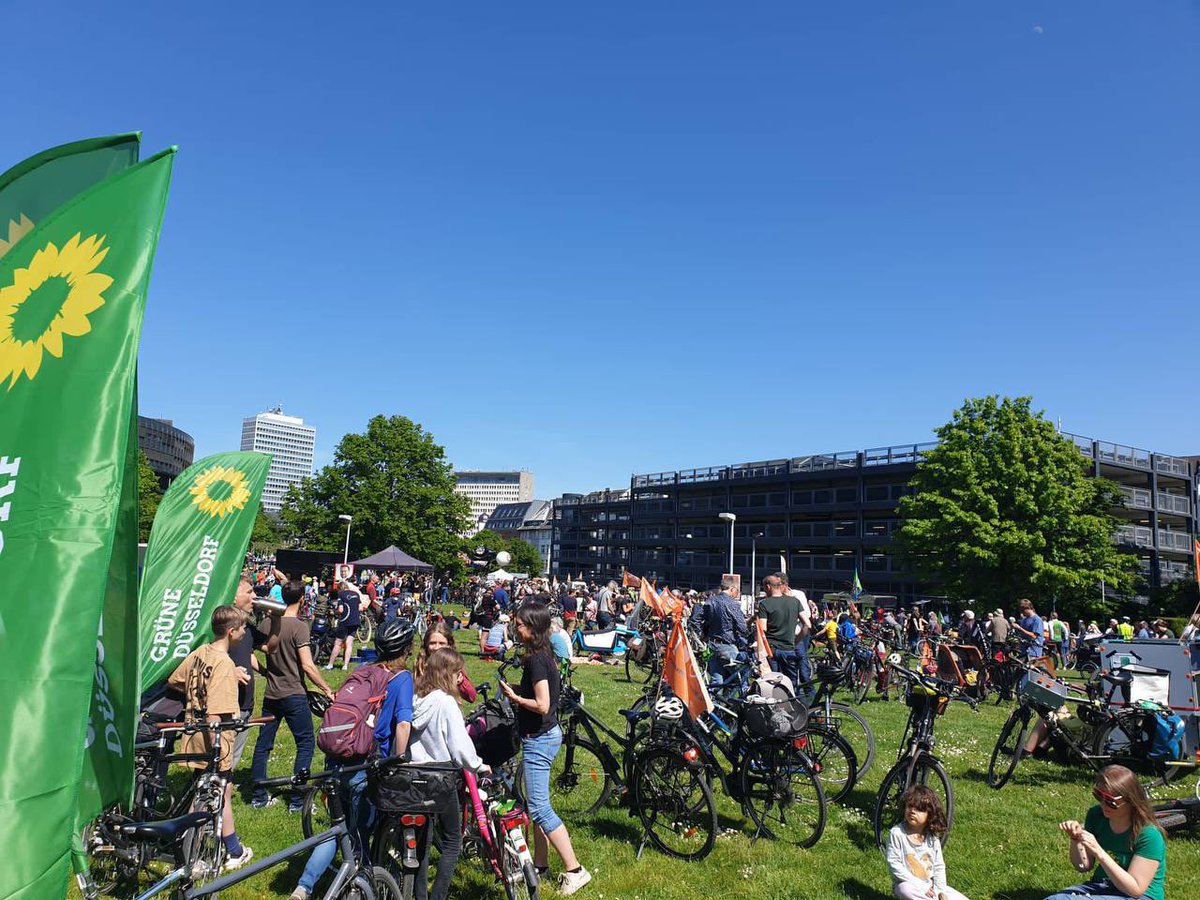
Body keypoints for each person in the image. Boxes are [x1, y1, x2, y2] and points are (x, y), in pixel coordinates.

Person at [290, 618, 416, 900]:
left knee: (338, 827)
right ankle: (362, 888)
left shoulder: (363, 669)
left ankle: (304, 887)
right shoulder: (401, 678)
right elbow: (403, 724)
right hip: (366, 764)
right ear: (407, 649)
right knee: (359, 833)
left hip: (337, 759)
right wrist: (399, 760)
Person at [500, 603, 591, 895]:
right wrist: (519, 688)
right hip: (542, 735)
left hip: (540, 737)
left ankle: (575, 869)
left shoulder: (537, 660)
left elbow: (542, 704)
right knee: (536, 804)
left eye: (521, 625)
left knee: (540, 808)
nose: (516, 628)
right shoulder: (541, 656)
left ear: (534, 628)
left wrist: (515, 696)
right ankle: (540, 865)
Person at [168, 605, 255, 870]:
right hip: (214, 741)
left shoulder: (201, 652)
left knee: (215, 791)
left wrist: (196, 695)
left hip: (193, 734)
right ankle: (195, 851)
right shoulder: (224, 664)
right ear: (231, 631)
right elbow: (216, 714)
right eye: (241, 628)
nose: (243, 632)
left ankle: (231, 847)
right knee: (216, 792)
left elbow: (175, 679)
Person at [410, 647, 490, 900]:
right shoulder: (446, 703)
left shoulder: (416, 700)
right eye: (457, 673)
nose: (460, 679)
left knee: (422, 841)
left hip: (413, 775)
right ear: (448, 674)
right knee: (453, 840)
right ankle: (439, 895)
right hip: (440, 776)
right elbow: (460, 747)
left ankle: (420, 895)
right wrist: (479, 765)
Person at [251, 580, 336, 812]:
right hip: (294, 694)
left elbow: (252, 651)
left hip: (271, 694)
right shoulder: (299, 627)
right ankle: (298, 801)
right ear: (302, 599)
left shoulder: (268, 622)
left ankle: (258, 797)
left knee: (263, 745)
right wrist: (326, 688)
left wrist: (266, 672)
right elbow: (308, 666)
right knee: (306, 743)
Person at [1045, 765, 1166, 900]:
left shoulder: (1149, 835)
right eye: (1099, 795)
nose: (1103, 804)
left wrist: (1099, 853)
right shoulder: (1096, 815)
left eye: (1110, 801)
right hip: (1103, 886)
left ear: (1131, 800)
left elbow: (1135, 889)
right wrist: (1075, 839)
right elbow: (1084, 866)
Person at [884, 785, 967, 900]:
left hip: (930, 886)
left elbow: (938, 866)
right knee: (905, 890)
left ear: (930, 814)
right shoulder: (897, 833)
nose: (912, 811)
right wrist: (922, 887)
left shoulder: (932, 837)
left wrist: (940, 892)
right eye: (910, 806)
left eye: (919, 809)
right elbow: (894, 865)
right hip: (908, 884)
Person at [689, 575, 750, 690]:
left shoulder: (710, 601)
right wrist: (746, 635)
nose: (738, 593)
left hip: (712, 645)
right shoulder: (732, 603)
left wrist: (702, 634)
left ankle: (712, 705)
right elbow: (742, 627)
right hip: (727, 645)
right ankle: (744, 705)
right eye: (737, 590)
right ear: (732, 589)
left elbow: (695, 619)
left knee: (716, 680)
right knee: (742, 677)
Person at [757, 575, 802, 690]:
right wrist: (797, 640)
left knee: (772, 683)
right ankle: (794, 703)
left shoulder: (764, 604)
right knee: (792, 683)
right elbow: (808, 624)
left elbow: (763, 629)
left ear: (768, 587)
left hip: (772, 649)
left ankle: (775, 705)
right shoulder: (795, 602)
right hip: (789, 648)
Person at [414, 622, 477, 702]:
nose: (437, 647)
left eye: (441, 643)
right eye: (432, 643)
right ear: (426, 644)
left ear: (449, 645)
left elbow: (471, 697)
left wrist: (460, 682)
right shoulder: (421, 664)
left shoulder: (453, 664)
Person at [326, 578, 365, 671]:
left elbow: (340, 610)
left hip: (345, 620)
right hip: (355, 620)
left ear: (340, 588)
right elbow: (361, 608)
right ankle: (345, 666)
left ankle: (330, 664)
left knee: (338, 643)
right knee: (349, 643)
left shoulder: (341, 594)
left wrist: (335, 612)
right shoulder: (356, 594)